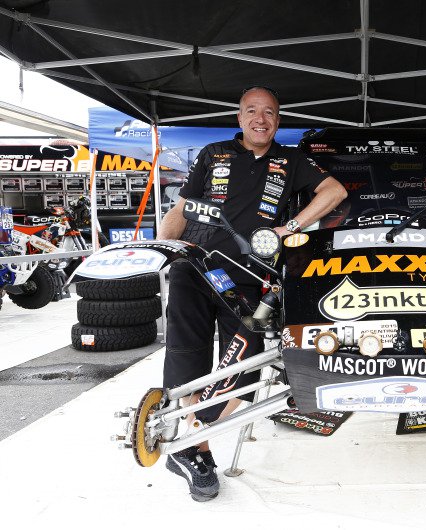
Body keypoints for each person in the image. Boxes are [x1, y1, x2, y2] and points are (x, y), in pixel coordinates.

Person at [157, 86, 346, 501]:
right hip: (196, 267)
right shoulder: (213, 153)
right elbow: (182, 208)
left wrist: (289, 227)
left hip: (250, 277)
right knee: (187, 357)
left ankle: (190, 444)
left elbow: (335, 192)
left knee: (244, 368)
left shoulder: (291, 159)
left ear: (278, 120)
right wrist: (165, 251)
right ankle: (197, 451)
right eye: (252, 111)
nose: (261, 119)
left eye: (269, 112)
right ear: (240, 117)